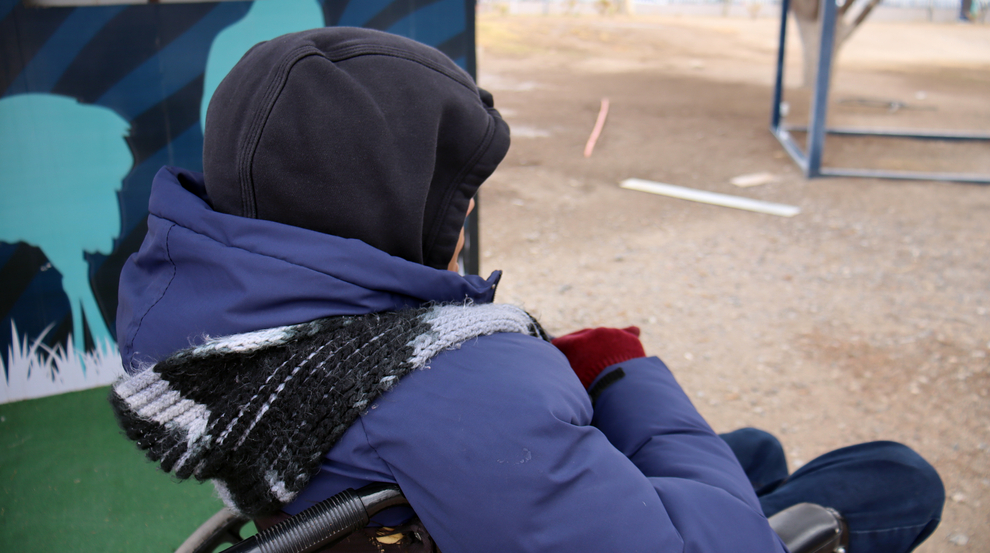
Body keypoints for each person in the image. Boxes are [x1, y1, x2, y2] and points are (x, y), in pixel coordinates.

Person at [110, 27, 943, 553]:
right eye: (451, 199)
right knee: (896, 475)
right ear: (378, 202)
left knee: (752, 447)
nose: (463, 222)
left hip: (422, 506)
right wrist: (623, 371)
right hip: (484, 487)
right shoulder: (449, 387)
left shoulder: (208, 328)